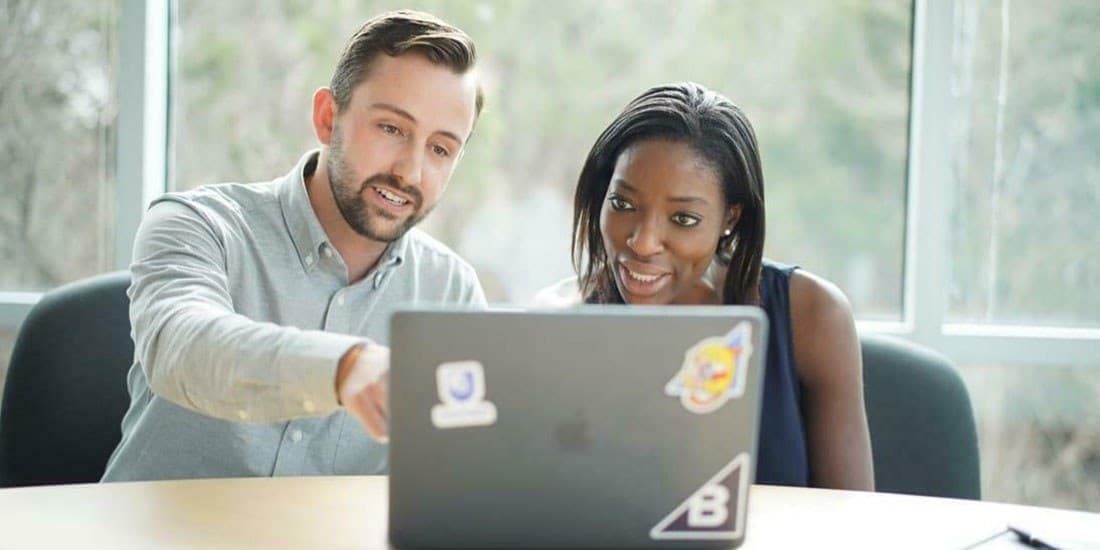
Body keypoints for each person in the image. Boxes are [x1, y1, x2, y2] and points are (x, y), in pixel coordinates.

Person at [102, 10, 486, 481]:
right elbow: (183, 349)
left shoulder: (451, 291)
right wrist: (342, 369)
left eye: (440, 149)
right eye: (391, 128)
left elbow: (462, 468)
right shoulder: (196, 224)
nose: (410, 171)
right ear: (327, 118)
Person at [543, 82, 874, 489]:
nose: (643, 243)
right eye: (623, 204)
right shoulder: (558, 321)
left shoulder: (811, 315)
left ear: (730, 218)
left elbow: (852, 514)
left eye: (683, 219)